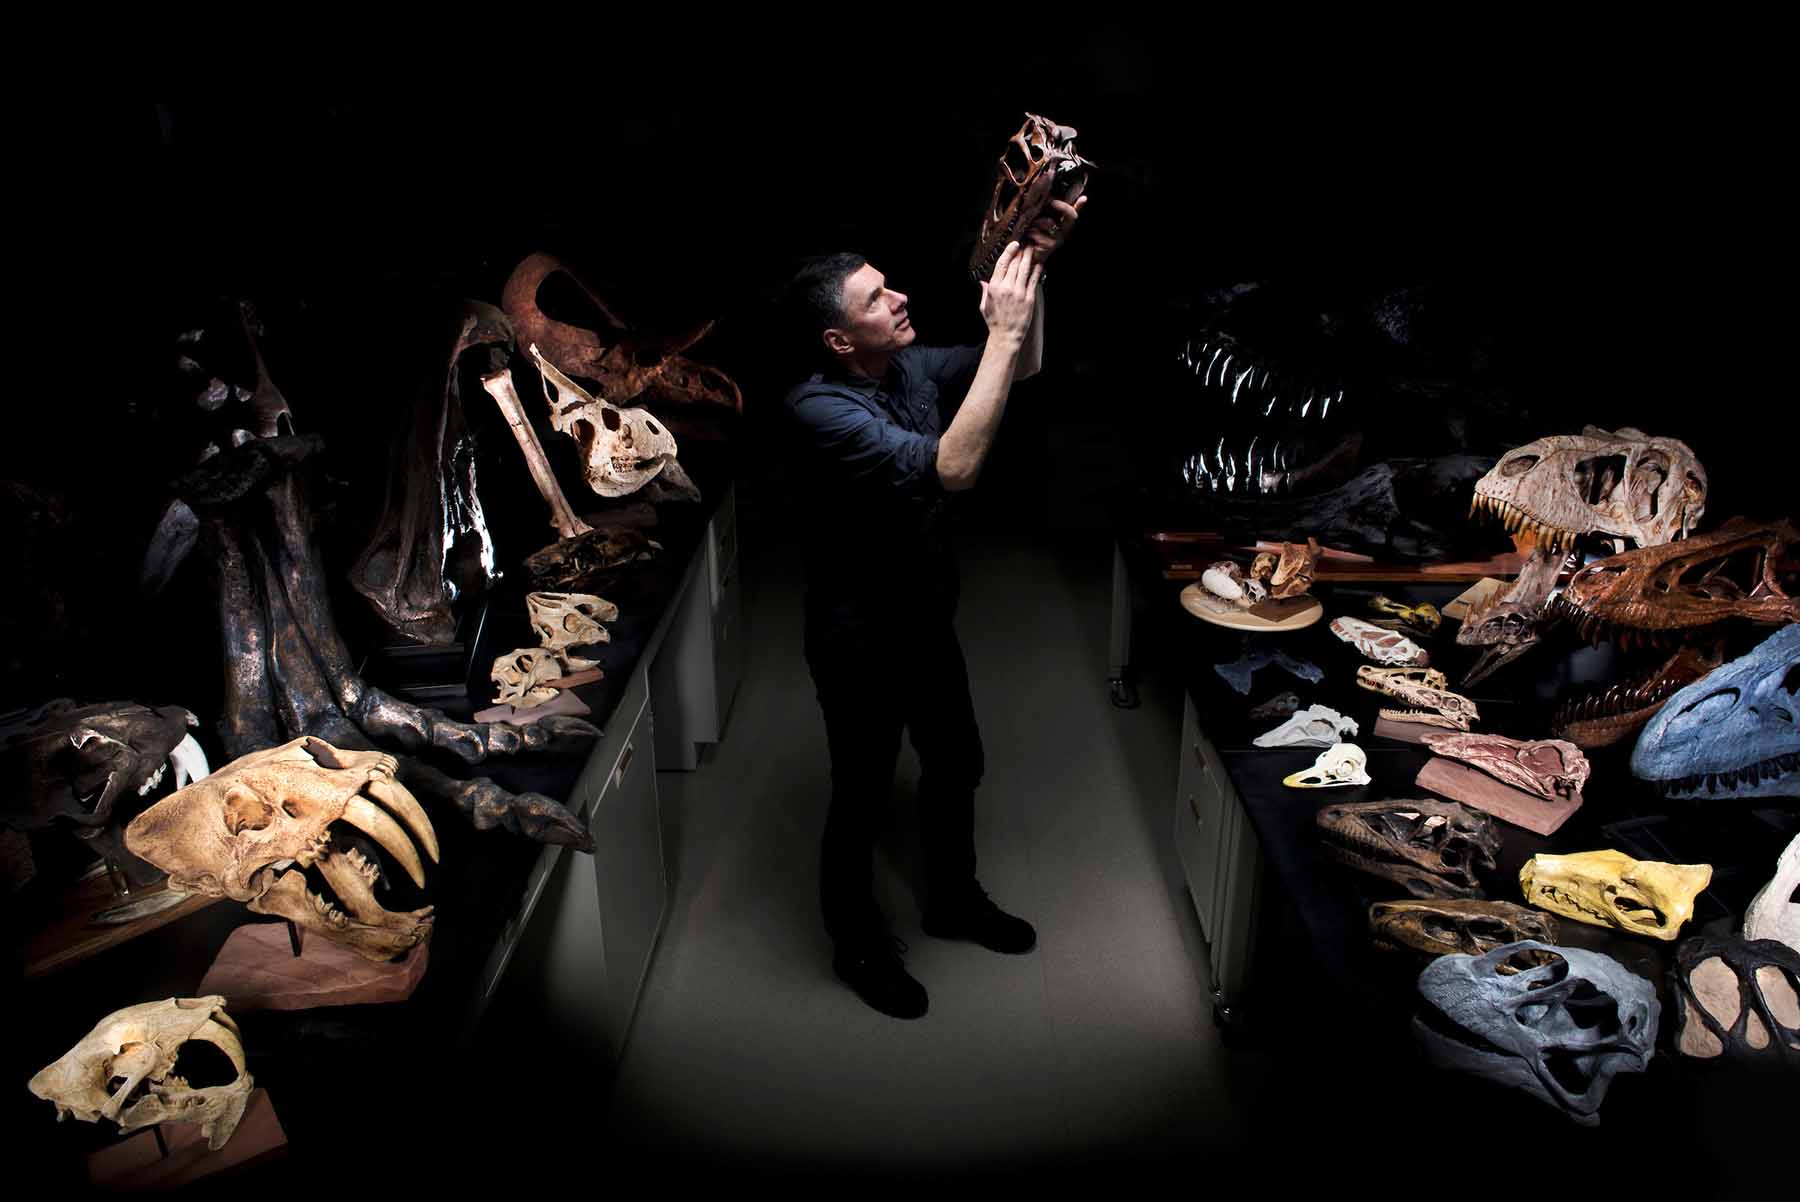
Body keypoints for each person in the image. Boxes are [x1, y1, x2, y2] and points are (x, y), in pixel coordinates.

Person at [776, 196, 1085, 1019]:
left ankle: (953, 900)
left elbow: (1015, 369)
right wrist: (1007, 334)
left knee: (957, 763)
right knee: (864, 794)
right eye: (875, 299)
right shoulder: (818, 408)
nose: (899, 298)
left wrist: (1033, 273)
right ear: (839, 340)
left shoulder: (904, 366)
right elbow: (953, 467)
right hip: (857, 639)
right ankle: (858, 944)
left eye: (887, 285)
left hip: (924, 620)